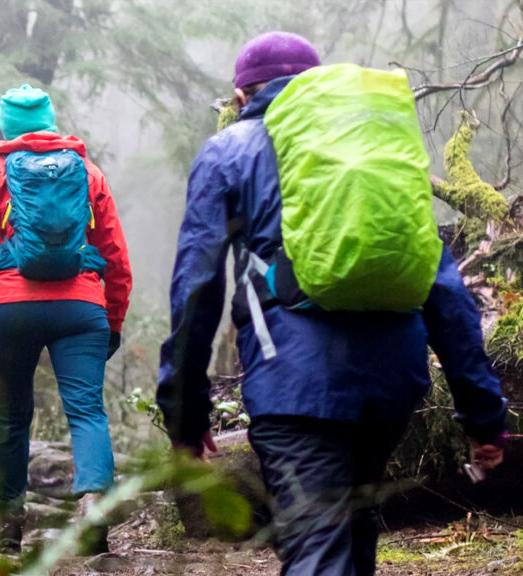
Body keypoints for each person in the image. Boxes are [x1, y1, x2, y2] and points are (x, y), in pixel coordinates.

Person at [157, 31, 507, 576]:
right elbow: (443, 287)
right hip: (392, 383)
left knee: (317, 548)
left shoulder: (229, 150)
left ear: (242, 95)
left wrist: (184, 413)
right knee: (353, 527)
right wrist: (484, 414)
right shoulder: (376, 150)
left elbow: (197, 285)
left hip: (294, 386)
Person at [0, 84, 132, 553]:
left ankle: (9, 525)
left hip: (11, 309)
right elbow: (114, 252)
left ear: (6, 126)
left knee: (11, 416)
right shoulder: (87, 172)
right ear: (50, 121)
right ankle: (93, 502)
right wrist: (113, 318)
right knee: (87, 410)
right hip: (82, 306)